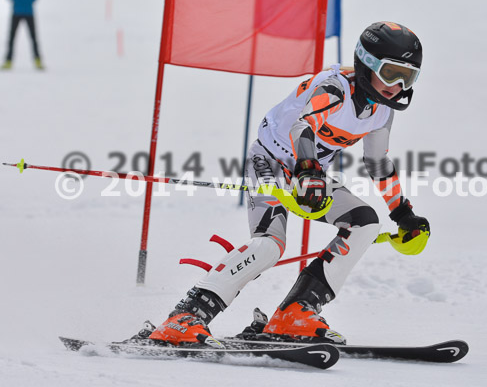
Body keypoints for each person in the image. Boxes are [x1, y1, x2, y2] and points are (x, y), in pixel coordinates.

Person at [142, 22, 431, 348]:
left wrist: (402, 213)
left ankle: (297, 312)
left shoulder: (381, 110)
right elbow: (302, 127)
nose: (397, 86)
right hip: (270, 163)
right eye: (391, 73)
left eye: (407, 77)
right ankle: (186, 316)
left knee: (365, 223)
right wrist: (308, 170)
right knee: (269, 246)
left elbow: (377, 163)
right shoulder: (335, 89)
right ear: (367, 63)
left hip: (308, 174)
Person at [2, 0, 44, 70]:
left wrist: (20, 0)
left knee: (31, 37)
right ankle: (8, 60)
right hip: (21, 11)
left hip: (24, 11)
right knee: (13, 38)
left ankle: (37, 60)